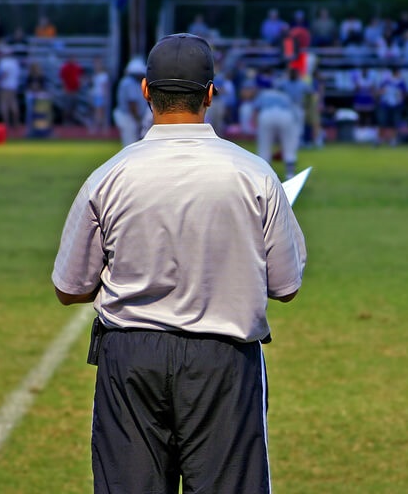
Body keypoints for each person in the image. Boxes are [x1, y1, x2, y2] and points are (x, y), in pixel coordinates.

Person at [52, 33, 306, 494]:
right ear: (211, 93)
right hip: (223, 359)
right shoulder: (254, 174)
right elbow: (286, 285)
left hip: (130, 357)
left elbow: (69, 287)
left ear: (146, 91)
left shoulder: (109, 175)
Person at [253, 70, 301, 178]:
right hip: (285, 116)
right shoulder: (285, 96)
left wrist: (255, 123)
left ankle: (264, 175)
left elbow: (256, 109)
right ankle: (290, 173)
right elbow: (294, 113)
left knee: (264, 146)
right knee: (289, 145)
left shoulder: (264, 93)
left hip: (267, 115)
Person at [112, 57, 151, 147]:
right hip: (129, 117)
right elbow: (132, 104)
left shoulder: (129, 82)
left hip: (129, 116)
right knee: (131, 144)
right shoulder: (130, 83)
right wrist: (138, 120)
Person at [0, 46, 21, 128]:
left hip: (5, 85)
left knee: (4, 104)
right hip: (13, 85)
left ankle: (6, 124)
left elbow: (4, 74)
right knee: (13, 103)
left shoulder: (3, 62)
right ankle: (16, 123)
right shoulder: (15, 62)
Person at [89, 57, 111, 135]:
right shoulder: (95, 75)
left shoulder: (103, 75)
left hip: (100, 96)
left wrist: (105, 97)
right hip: (95, 95)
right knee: (96, 113)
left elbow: (105, 88)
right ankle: (99, 129)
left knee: (99, 114)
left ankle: (99, 129)